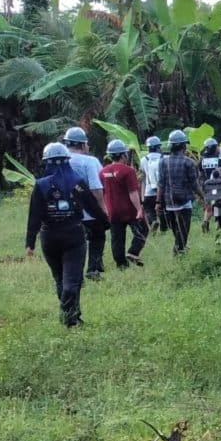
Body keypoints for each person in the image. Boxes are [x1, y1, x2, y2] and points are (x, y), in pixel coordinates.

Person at [25, 143, 109, 327]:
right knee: (72, 280)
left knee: (60, 279)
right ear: (67, 161)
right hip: (74, 236)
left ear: (46, 162)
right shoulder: (77, 182)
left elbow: (35, 215)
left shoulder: (40, 185)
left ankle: (72, 316)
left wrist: (30, 243)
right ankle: (69, 318)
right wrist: (105, 224)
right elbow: (92, 206)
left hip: (49, 237)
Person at [63, 126, 107, 280]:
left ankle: (73, 273)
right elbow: (96, 188)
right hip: (89, 213)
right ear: (82, 145)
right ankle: (93, 270)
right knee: (97, 238)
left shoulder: (59, 161)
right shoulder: (90, 161)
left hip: (66, 213)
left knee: (74, 245)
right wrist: (103, 210)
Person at [100, 139, 148, 268]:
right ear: (123, 155)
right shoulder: (128, 171)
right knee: (143, 230)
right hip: (129, 210)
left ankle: (121, 265)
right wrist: (139, 209)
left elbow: (101, 192)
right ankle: (133, 252)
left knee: (117, 239)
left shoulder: (103, 172)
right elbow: (133, 192)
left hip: (112, 211)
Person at [156, 128, 203, 255]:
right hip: (184, 202)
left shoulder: (163, 162)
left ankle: (180, 249)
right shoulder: (189, 162)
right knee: (183, 231)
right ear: (184, 145)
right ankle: (178, 252)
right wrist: (203, 197)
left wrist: (158, 202)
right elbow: (194, 184)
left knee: (177, 230)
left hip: (169, 202)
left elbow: (161, 183)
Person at [139, 136, 167, 233]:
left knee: (149, 210)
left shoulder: (143, 160)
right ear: (158, 147)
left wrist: (142, 197)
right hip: (163, 190)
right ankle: (164, 228)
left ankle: (153, 221)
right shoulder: (164, 158)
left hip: (148, 190)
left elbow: (143, 178)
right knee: (163, 209)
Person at [200, 137, 220, 233]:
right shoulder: (219, 159)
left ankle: (205, 221)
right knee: (217, 204)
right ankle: (217, 223)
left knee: (208, 205)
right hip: (216, 184)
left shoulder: (203, 159)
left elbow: (200, 171)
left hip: (206, 184)